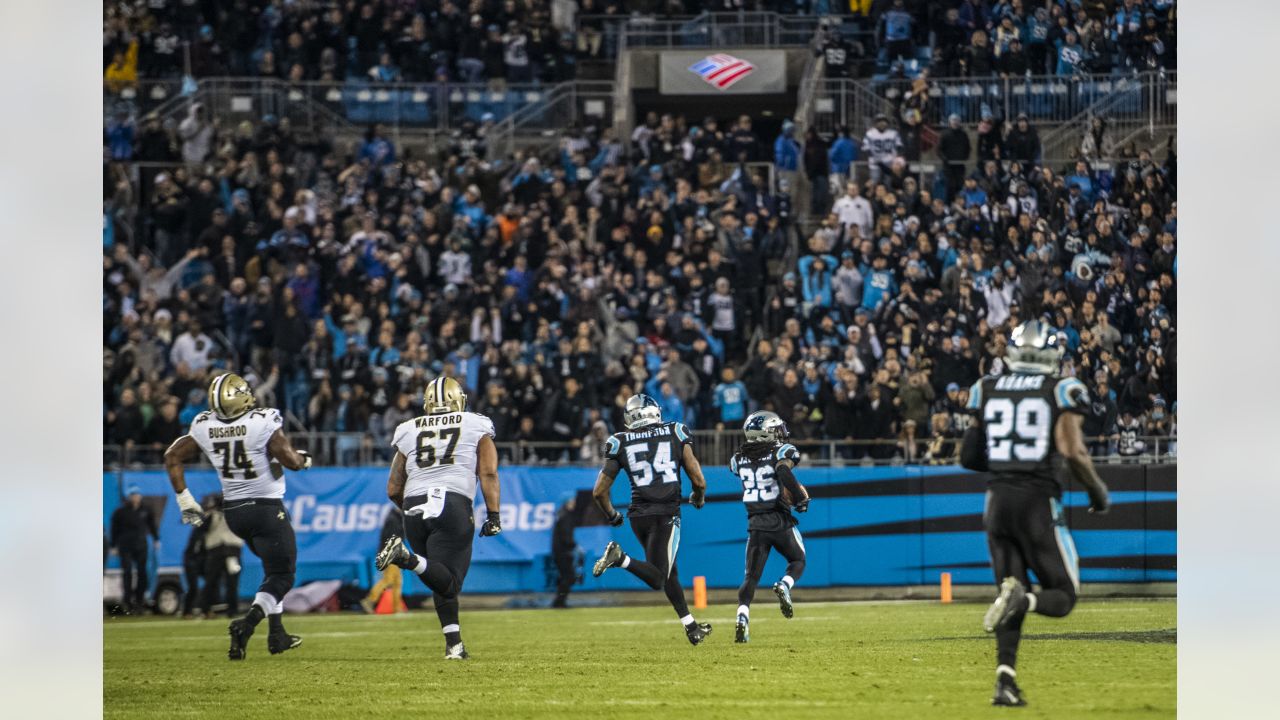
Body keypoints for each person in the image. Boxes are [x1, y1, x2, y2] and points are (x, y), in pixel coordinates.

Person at [959, 320, 1111, 707]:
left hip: (996, 504)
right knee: (1063, 594)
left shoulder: (985, 386)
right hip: (1036, 502)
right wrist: (1097, 490)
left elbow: (969, 456)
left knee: (1008, 589)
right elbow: (1073, 450)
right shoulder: (1061, 388)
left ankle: (1004, 682)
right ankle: (1024, 603)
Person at [163, 373, 313, 660]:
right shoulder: (263, 420)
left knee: (272, 572)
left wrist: (185, 499)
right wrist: (303, 460)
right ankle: (246, 625)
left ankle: (277, 634)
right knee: (283, 575)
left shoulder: (204, 424)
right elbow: (290, 461)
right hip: (265, 509)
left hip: (234, 512)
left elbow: (172, 456)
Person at [374, 376, 503, 660]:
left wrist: (410, 509)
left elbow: (393, 487)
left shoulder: (408, 428)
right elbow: (489, 472)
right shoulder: (474, 423)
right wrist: (493, 515)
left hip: (413, 505)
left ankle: (454, 645)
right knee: (450, 582)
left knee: (436, 573)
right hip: (451, 502)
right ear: (459, 400)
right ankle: (405, 558)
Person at [590, 394, 712, 645]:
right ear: (655, 412)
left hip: (638, 517)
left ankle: (691, 627)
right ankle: (619, 558)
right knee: (658, 578)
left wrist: (612, 516)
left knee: (670, 572)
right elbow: (698, 479)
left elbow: (599, 492)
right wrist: (698, 496)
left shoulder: (620, 441)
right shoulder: (676, 431)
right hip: (666, 513)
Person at [728, 411, 811, 644]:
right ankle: (784, 585)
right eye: (774, 429)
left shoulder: (737, 459)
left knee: (750, 577)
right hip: (779, 520)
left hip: (755, 523)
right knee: (798, 561)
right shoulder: (781, 452)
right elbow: (783, 470)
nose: (779, 433)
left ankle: (742, 617)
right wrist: (800, 498)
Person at [109, 486, 160, 614]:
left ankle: (139, 601)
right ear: (129, 497)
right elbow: (114, 530)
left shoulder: (146, 510)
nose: (136, 497)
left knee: (142, 572)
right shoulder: (120, 512)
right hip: (125, 545)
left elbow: (152, 525)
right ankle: (127, 601)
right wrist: (113, 545)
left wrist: (156, 539)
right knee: (127, 573)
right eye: (133, 495)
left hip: (141, 545)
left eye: (137, 495)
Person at [200, 493, 244, 618]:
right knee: (213, 582)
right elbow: (202, 527)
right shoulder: (214, 515)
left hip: (228, 552)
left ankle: (231, 609)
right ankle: (208, 609)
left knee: (230, 582)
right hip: (221, 552)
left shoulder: (234, 514)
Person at [362, 506, 407, 614]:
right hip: (390, 553)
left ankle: (397, 608)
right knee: (389, 580)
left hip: (393, 552)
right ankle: (370, 600)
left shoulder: (395, 518)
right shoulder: (394, 520)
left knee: (397, 581)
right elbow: (392, 539)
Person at [551, 494, 580, 608]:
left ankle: (559, 600)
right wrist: (574, 546)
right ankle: (559, 601)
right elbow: (566, 536)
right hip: (563, 551)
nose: (574, 503)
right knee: (569, 576)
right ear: (568, 502)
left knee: (565, 576)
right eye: (572, 501)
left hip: (559, 551)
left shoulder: (561, 514)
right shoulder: (566, 516)